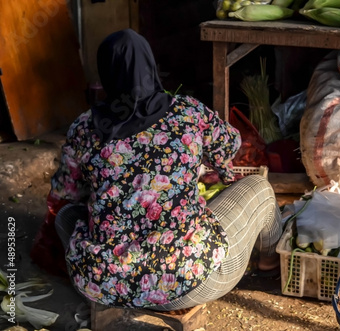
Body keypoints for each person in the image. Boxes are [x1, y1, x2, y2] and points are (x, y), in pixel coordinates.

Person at [47, 28, 282, 310]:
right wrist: (200, 159)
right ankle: (268, 263)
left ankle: (118, 292)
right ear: (150, 67)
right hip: (190, 280)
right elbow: (230, 144)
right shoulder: (188, 112)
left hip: (105, 284)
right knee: (260, 189)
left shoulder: (84, 127)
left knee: (65, 216)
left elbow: (66, 191)